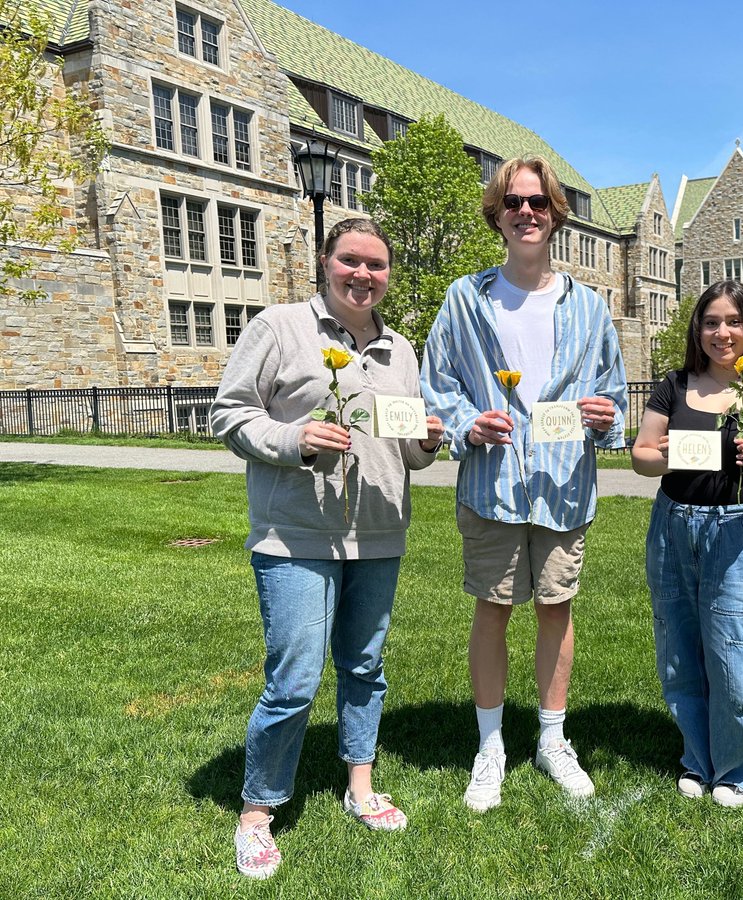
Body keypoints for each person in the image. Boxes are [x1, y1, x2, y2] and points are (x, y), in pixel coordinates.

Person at [211, 217, 445, 879]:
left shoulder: (400, 349)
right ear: (325, 261)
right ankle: (257, 811)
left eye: (376, 264)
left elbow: (409, 452)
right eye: (350, 260)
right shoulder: (279, 327)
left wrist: (427, 441)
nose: (363, 274)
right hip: (296, 536)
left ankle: (360, 786)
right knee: (294, 680)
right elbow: (228, 412)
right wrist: (296, 439)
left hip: (378, 534)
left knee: (365, 667)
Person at [420, 156, 628, 812]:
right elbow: (438, 380)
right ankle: (490, 746)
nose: (526, 212)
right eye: (513, 202)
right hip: (494, 483)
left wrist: (607, 417)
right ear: (498, 214)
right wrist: (465, 424)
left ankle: (552, 740)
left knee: (555, 609)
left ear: (555, 214)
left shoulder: (588, 307)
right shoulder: (465, 298)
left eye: (538, 202)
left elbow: (614, 392)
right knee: (493, 609)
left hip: (563, 484)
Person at [630, 281, 743, 807]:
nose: (721, 333)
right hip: (673, 524)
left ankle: (742, 768)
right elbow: (640, 457)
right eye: (710, 322)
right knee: (679, 644)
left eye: (733, 321)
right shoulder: (674, 384)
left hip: (736, 529)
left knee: (736, 645)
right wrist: (664, 455)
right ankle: (698, 758)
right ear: (697, 329)